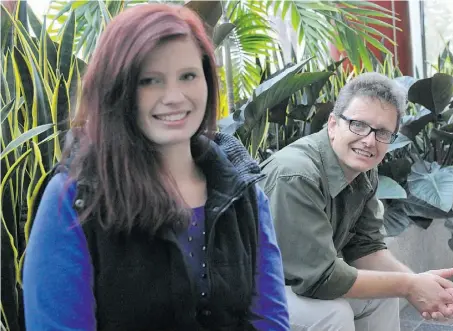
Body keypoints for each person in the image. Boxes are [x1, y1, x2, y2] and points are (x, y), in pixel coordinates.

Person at [22, 4, 289, 331]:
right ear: (117, 89)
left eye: (188, 76)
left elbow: (270, 320)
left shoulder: (242, 193)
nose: (174, 96)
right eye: (150, 80)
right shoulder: (75, 198)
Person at [259, 72, 453, 331]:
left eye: (383, 133)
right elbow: (320, 278)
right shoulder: (296, 175)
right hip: (249, 292)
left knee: (382, 298)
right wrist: (409, 286)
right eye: (358, 124)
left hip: (298, 282)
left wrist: (420, 284)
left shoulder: (363, 169)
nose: (369, 140)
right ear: (333, 124)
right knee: (334, 314)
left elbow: (365, 248)